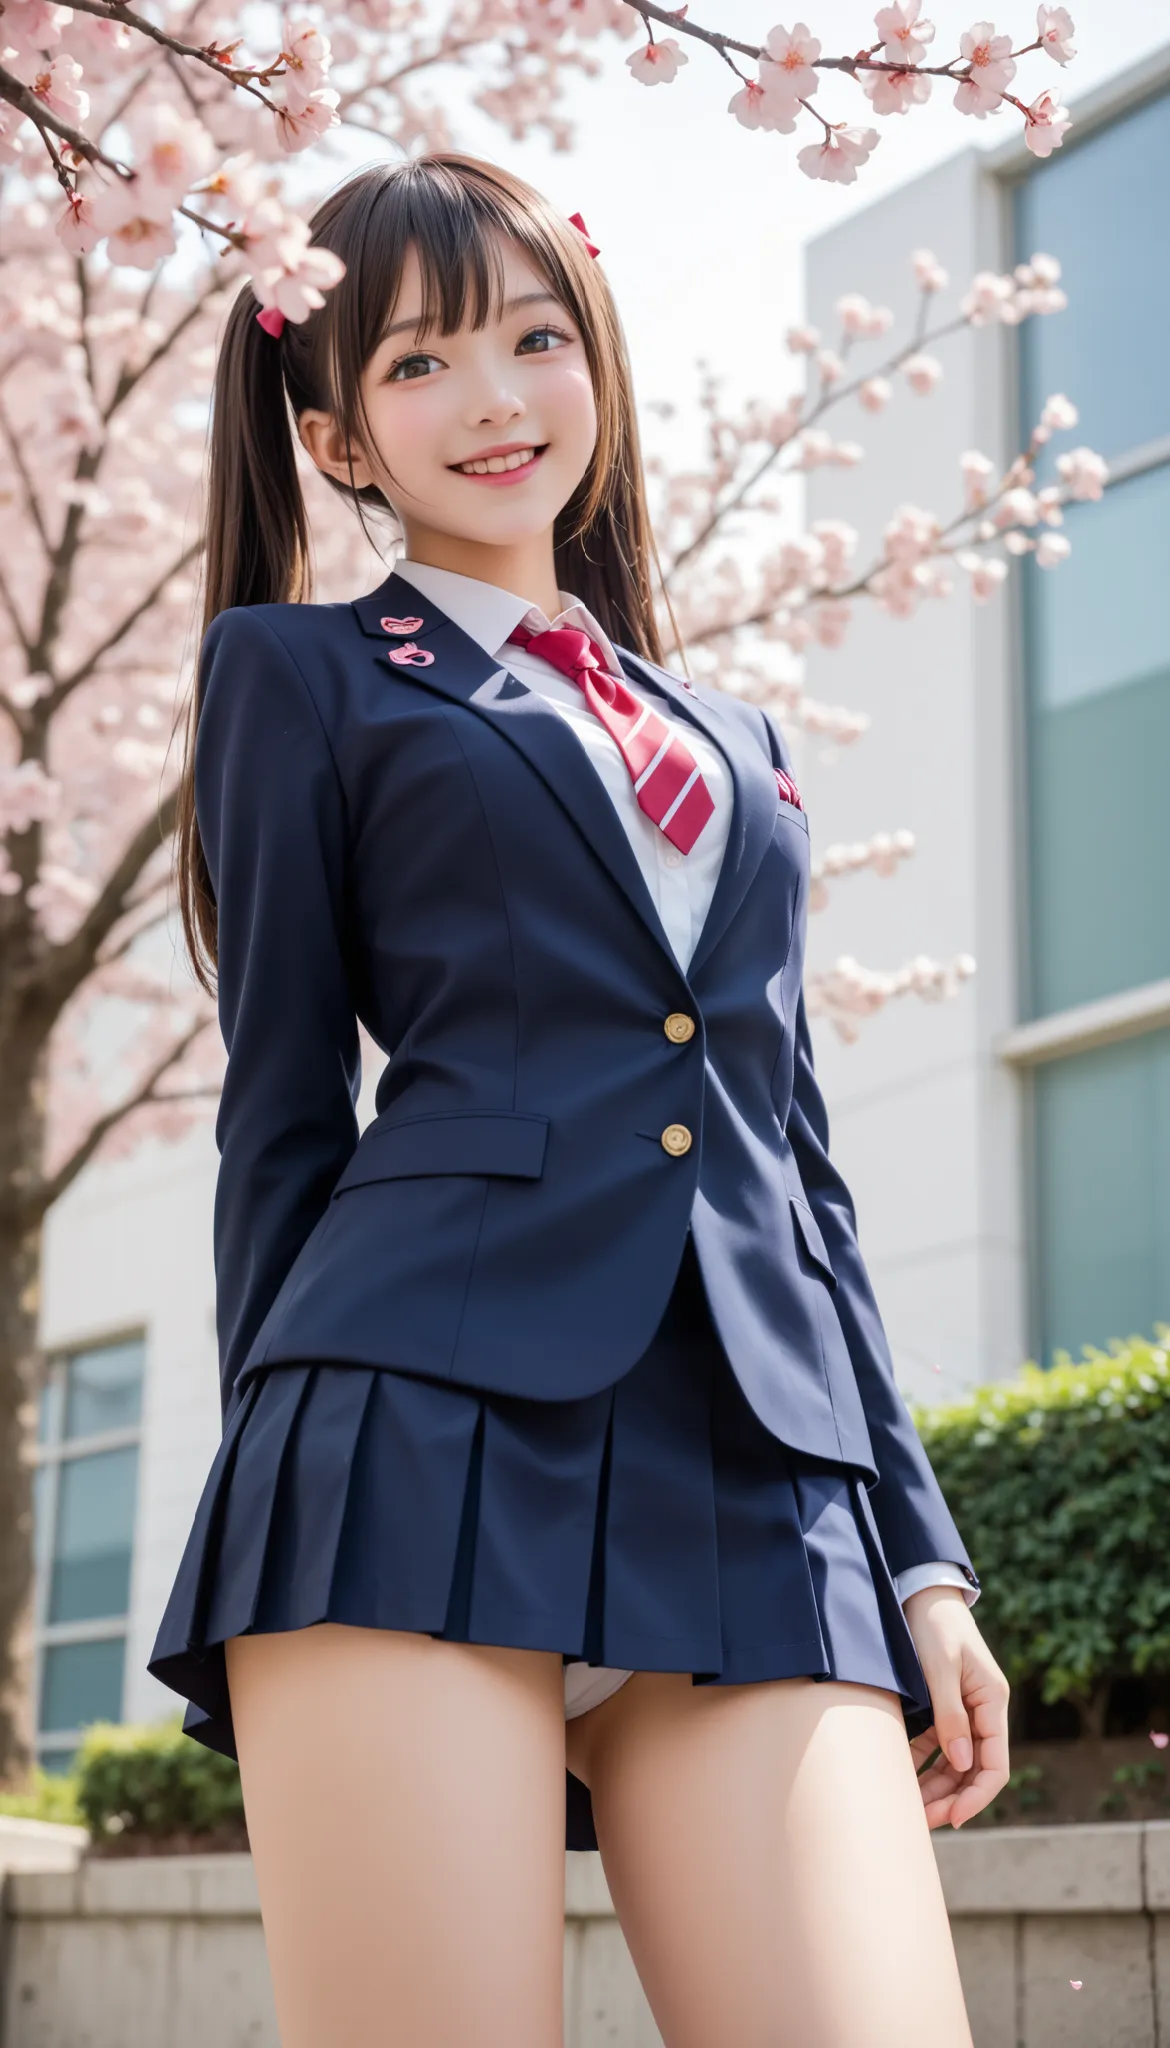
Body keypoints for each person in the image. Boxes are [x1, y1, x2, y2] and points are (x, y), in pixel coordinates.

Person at [150, 151, 1008, 2047]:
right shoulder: (299, 674)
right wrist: (276, 1503)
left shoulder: (741, 743)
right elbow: (281, 1110)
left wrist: (922, 1560)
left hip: (758, 1468)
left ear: (594, 367)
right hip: (407, 1434)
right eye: (421, 365)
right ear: (336, 434)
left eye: (536, 341)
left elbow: (795, 1166)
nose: (495, 400)